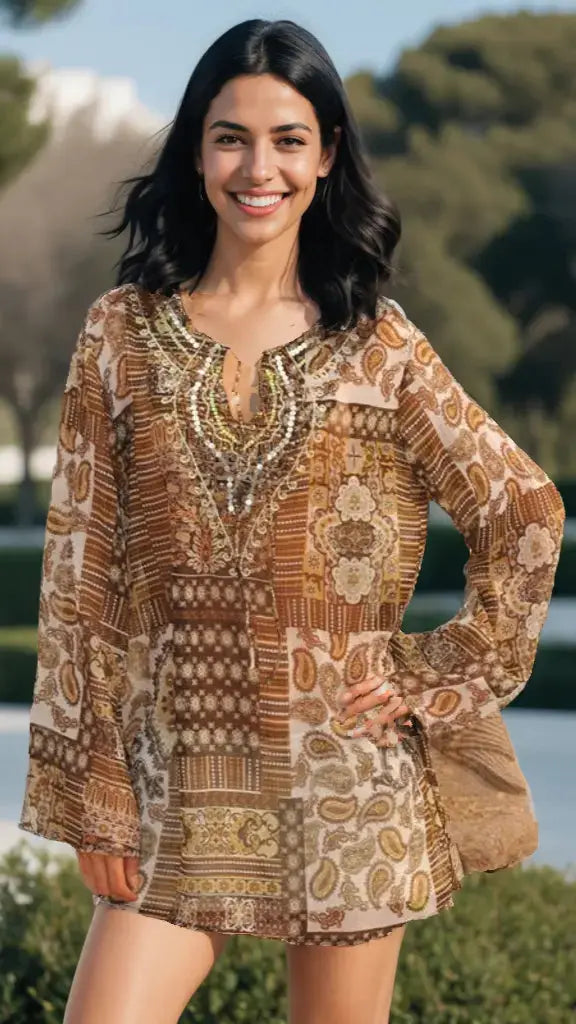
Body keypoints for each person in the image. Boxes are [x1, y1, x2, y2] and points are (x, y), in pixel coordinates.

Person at [18, 17, 565, 1024]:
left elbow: (522, 505)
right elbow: (76, 571)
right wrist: (94, 782)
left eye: (288, 138)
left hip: (346, 784)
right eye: (231, 136)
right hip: (175, 778)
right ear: (197, 150)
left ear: (327, 158)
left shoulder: (379, 345)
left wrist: (436, 668)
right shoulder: (122, 333)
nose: (256, 165)